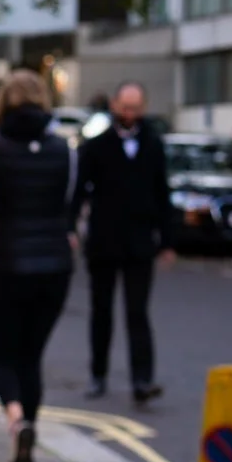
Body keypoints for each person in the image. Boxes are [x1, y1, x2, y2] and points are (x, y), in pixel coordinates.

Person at [0, 68, 76, 462]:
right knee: (31, 357)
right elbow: (68, 199)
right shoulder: (66, 150)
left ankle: (16, 420)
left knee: (1, 357)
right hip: (55, 266)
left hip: (8, 262)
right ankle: (26, 436)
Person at [73, 80, 172, 404]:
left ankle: (142, 380)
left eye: (135, 108)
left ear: (143, 108)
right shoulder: (96, 146)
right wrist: (70, 228)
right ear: (115, 105)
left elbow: (162, 193)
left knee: (137, 313)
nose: (129, 114)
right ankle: (97, 375)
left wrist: (167, 241)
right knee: (101, 312)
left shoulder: (153, 144)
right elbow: (78, 192)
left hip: (140, 243)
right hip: (103, 242)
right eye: (125, 108)